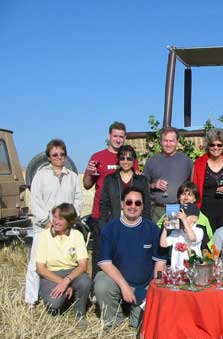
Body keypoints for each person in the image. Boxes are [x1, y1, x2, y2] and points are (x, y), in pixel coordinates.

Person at [94, 186, 166, 330]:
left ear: (143, 206)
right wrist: (124, 286)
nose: (133, 206)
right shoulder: (110, 228)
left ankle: (136, 310)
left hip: (144, 285)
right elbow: (105, 263)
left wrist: (157, 284)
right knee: (102, 284)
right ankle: (114, 321)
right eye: (129, 202)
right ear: (122, 204)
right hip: (118, 281)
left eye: (137, 203)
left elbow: (160, 261)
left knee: (140, 325)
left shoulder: (152, 229)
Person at [25, 139, 83, 308]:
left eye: (62, 154)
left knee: (66, 260)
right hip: (44, 226)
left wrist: (70, 219)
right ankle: (30, 300)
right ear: (49, 157)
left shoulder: (72, 177)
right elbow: (35, 200)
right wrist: (49, 222)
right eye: (55, 155)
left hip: (66, 228)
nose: (59, 157)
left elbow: (78, 200)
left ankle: (68, 294)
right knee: (36, 262)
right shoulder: (41, 176)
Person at [83, 121, 135, 279]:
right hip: (101, 214)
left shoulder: (129, 157)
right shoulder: (98, 157)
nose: (118, 139)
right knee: (100, 252)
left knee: (123, 252)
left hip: (125, 214)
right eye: (115, 136)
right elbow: (86, 185)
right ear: (109, 136)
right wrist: (90, 174)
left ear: (125, 138)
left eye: (121, 136)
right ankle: (96, 289)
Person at [35, 203, 92, 328]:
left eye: (60, 219)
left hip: (72, 272)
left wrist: (67, 281)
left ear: (70, 221)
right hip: (51, 274)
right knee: (54, 304)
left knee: (85, 282)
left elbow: (83, 265)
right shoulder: (43, 236)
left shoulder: (77, 235)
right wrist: (62, 283)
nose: (56, 221)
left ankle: (80, 314)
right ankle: (67, 299)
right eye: (54, 217)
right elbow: (40, 268)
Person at [192, 128, 223, 230]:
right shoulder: (199, 163)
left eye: (219, 145)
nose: (216, 147)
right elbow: (194, 188)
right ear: (208, 146)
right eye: (212, 145)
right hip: (205, 210)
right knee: (206, 242)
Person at [143, 127, 193, 223]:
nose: (168, 144)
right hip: (157, 210)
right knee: (156, 237)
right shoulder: (151, 161)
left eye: (171, 141)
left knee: (172, 237)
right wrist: (154, 185)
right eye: (165, 141)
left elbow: (192, 185)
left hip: (175, 209)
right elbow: (143, 185)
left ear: (177, 141)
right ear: (161, 142)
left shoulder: (186, 161)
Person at [100, 145, 151, 228]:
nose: (125, 161)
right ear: (118, 160)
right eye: (122, 158)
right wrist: (104, 225)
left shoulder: (141, 180)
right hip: (115, 223)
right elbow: (104, 205)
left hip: (137, 223)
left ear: (134, 160)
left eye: (129, 158)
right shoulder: (110, 179)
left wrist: (146, 226)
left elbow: (146, 205)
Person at [160, 203, 203, 270]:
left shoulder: (198, 230)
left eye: (186, 216)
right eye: (179, 216)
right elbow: (163, 244)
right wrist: (165, 229)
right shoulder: (176, 231)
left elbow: (193, 238)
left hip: (193, 269)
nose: (181, 218)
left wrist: (184, 220)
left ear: (195, 218)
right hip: (177, 270)